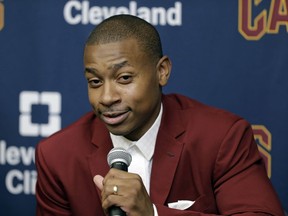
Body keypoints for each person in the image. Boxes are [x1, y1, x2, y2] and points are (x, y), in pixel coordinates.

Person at [35, 14, 284, 216]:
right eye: (95, 81)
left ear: (162, 71)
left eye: (124, 78)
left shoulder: (221, 138)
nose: (107, 97)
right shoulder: (57, 156)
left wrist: (152, 213)